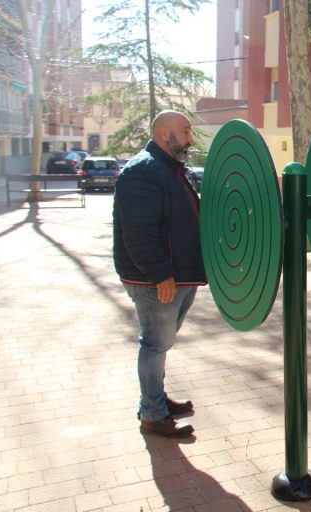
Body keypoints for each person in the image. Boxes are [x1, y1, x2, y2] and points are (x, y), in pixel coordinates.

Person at [113, 110, 207, 438]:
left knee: (160, 343)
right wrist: (160, 274)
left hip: (176, 275)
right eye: (185, 130)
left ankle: (155, 399)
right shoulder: (143, 171)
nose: (190, 138)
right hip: (156, 280)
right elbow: (138, 231)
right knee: (155, 344)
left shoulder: (169, 169)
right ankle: (153, 415)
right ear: (164, 133)